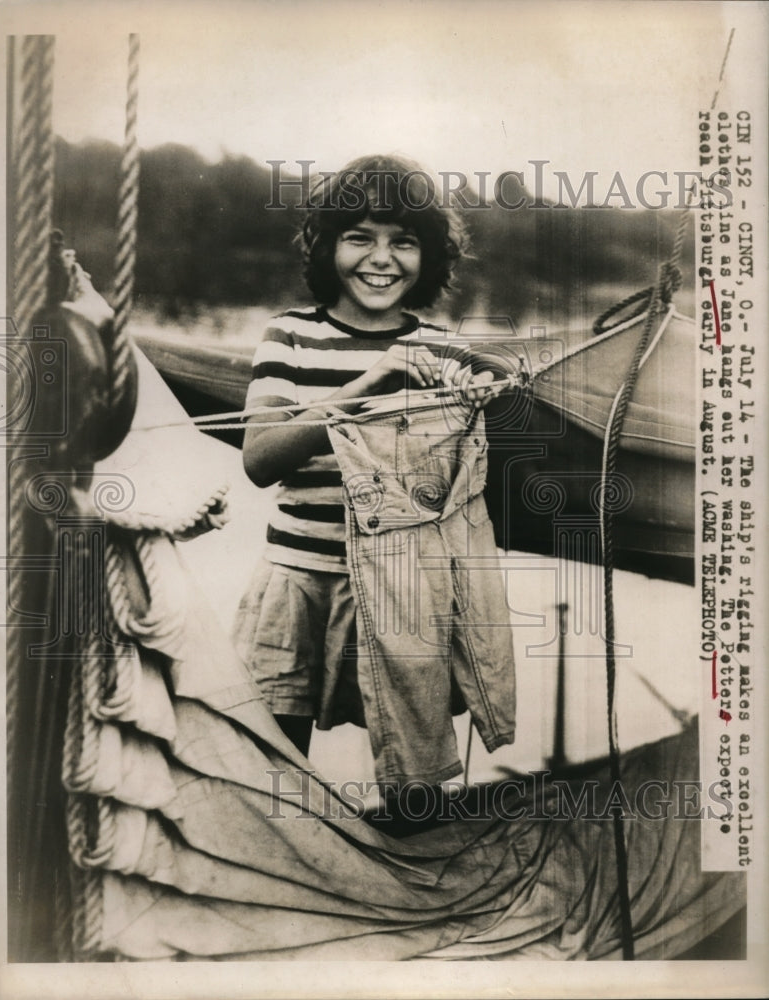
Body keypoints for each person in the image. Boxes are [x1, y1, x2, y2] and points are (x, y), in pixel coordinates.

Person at [232, 154, 506, 811]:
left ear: (429, 256)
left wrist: (475, 400)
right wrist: (369, 385)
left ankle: (402, 885)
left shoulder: (443, 349)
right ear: (328, 247)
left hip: (402, 590)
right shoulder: (289, 336)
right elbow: (259, 458)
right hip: (299, 583)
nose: (380, 259)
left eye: (403, 241)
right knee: (270, 771)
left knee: (414, 786)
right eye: (360, 237)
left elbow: (449, 490)